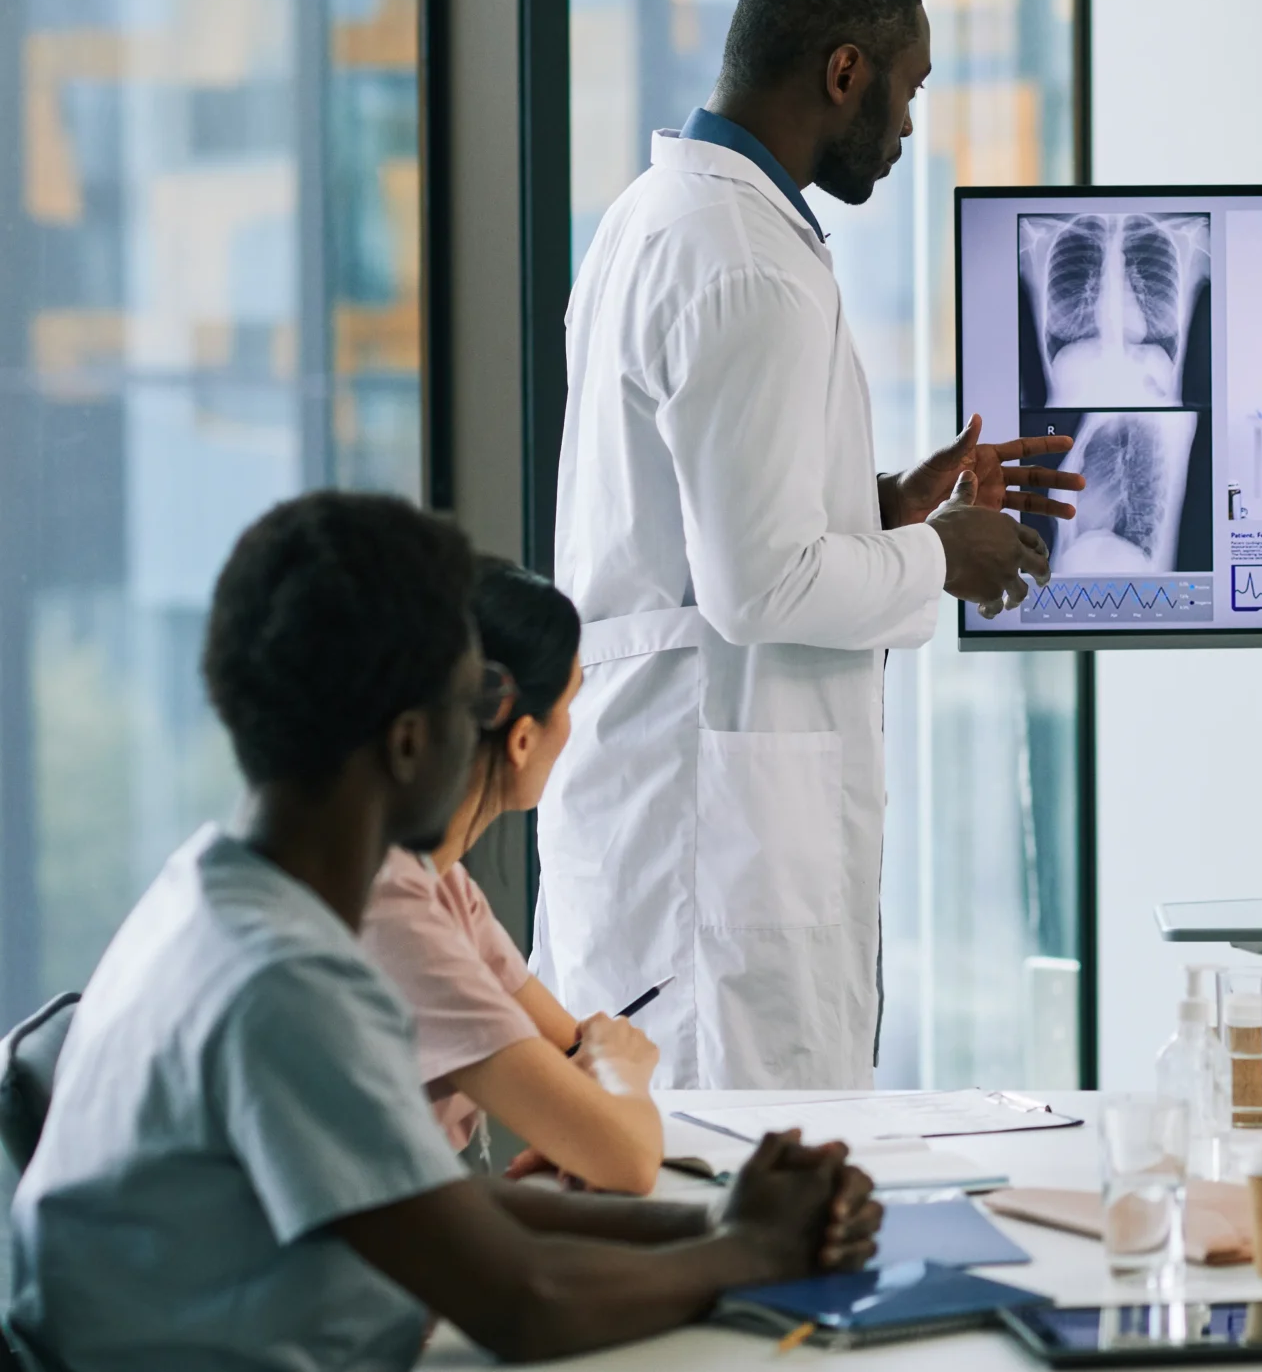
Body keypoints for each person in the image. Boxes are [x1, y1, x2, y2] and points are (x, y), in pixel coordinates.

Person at [4, 492, 879, 1370]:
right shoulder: (287, 982)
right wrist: (755, 1250)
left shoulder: (212, 895)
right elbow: (522, 1302)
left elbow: (437, 1211)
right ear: (414, 742)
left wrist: (718, 1223)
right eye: (478, 695)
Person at [539, 0, 1081, 1090]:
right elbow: (758, 586)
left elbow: (690, 530)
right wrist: (941, 557)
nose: (904, 132)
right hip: (713, 856)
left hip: (665, 810)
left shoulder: (655, 217)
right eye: (906, 93)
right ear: (845, 72)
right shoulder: (751, 265)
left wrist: (879, 506)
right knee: (731, 1208)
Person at [362, 558, 669, 1194]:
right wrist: (620, 1077)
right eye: (570, 703)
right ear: (523, 738)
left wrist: (591, 1101)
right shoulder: (391, 909)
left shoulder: (438, 885)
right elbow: (629, 1157)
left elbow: (568, 1046)